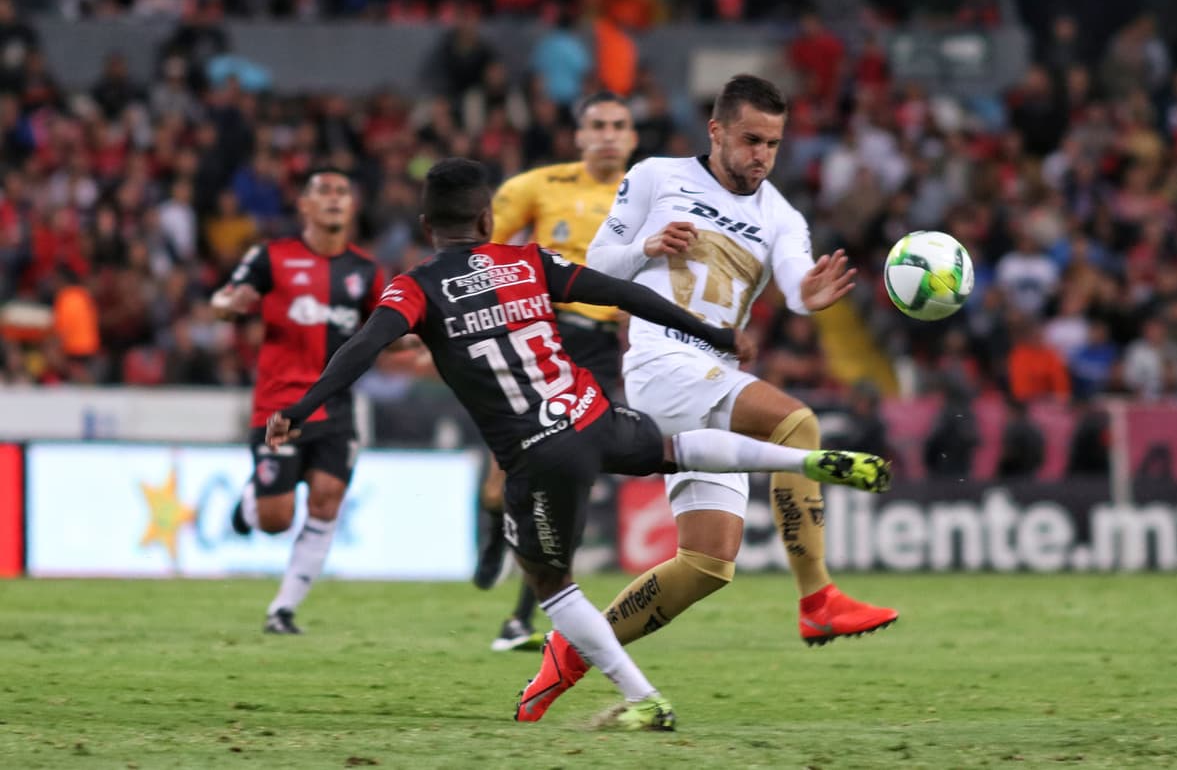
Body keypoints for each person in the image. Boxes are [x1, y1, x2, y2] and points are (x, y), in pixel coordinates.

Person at [263, 158, 890, 730]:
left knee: (552, 584)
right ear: (487, 219)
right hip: (595, 414)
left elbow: (363, 348)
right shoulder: (528, 261)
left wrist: (301, 406)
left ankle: (645, 697)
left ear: (427, 224)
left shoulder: (415, 288)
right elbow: (624, 294)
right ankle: (803, 460)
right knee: (678, 450)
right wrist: (710, 332)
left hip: (539, 454)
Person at [517, 74, 899, 723]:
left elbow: (795, 284)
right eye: (751, 139)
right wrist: (646, 246)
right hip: (662, 360)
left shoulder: (781, 214)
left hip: (710, 371)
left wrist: (811, 295)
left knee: (706, 563)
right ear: (717, 131)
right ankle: (818, 600)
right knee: (797, 426)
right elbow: (596, 264)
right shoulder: (656, 177)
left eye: (773, 144)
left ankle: (570, 652)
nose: (761, 156)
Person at [473, 91, 637, 653]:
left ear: (633, 137)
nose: (609, 134)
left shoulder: (650, 193)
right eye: (598, 124)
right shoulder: (536, 188)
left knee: (566, 475)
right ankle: (493, 531)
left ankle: (521, 618)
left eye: (619, 125)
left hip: (597, 350)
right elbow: (479, 250)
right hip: (537, 335)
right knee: (507, 473)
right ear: (579, 135)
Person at [211, 168, 386, 635]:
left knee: (327, 501)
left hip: (336, 405)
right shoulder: (272, 257)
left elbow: (382, 329)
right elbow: (226, 297)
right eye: (323, 192)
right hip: (279, 405)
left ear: (352, 207)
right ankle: (249, 503)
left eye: (342, 192)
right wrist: (230, 303)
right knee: (275, 520)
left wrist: (417, 345)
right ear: (304, 206)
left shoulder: (364, 270)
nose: (333, 199)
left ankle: (282, 610)